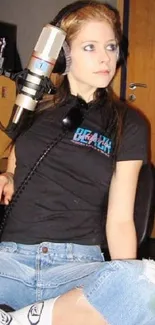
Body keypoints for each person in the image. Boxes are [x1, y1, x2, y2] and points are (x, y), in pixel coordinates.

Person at [0, 1, 155, 325]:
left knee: (148, 284)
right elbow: (17, 151)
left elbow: (121, 218)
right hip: (9, 262)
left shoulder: (129, 123)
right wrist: (9, 174)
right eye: (90, 47)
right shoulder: (37, 107)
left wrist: (122, 281)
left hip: (77, 269)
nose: (106, 58)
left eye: (111, 47)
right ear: (63, 56)